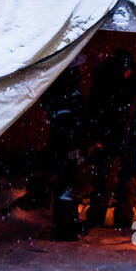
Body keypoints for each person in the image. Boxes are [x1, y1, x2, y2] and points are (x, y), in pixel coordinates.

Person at [85, 48, 136, 229]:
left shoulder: (107, 84)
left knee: (115, 181)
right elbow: (96, 112)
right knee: (110, 180)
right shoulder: (118, 85)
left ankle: (110, 218)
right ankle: (108, 218)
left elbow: (94, 111)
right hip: (116, 140)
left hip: (120, 140)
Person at [39, 57, 88, 241]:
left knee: (64, 185)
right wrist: (73, 144)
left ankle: (65, 224)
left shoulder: (57, 86)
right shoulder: (69, 87)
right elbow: (71, 119)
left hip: (60, 142)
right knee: (66, 185)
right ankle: (65, 227)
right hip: (66, 144)